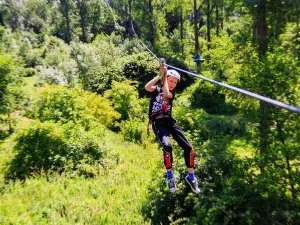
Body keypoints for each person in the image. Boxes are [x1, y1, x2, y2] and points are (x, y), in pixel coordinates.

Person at [144, 63, 200, 194]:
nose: (173, 84)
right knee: (167, 147)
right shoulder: (156, 90)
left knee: (189, 148)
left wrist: (165, 77)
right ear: (166, 80)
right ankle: (170, 176)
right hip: (158, 122)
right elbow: (147, 87)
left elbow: (167, 93)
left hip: (169, 121)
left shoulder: (171, 93)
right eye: (171, 81)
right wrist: (160, 75)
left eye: (175, 82)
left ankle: (191, 176)